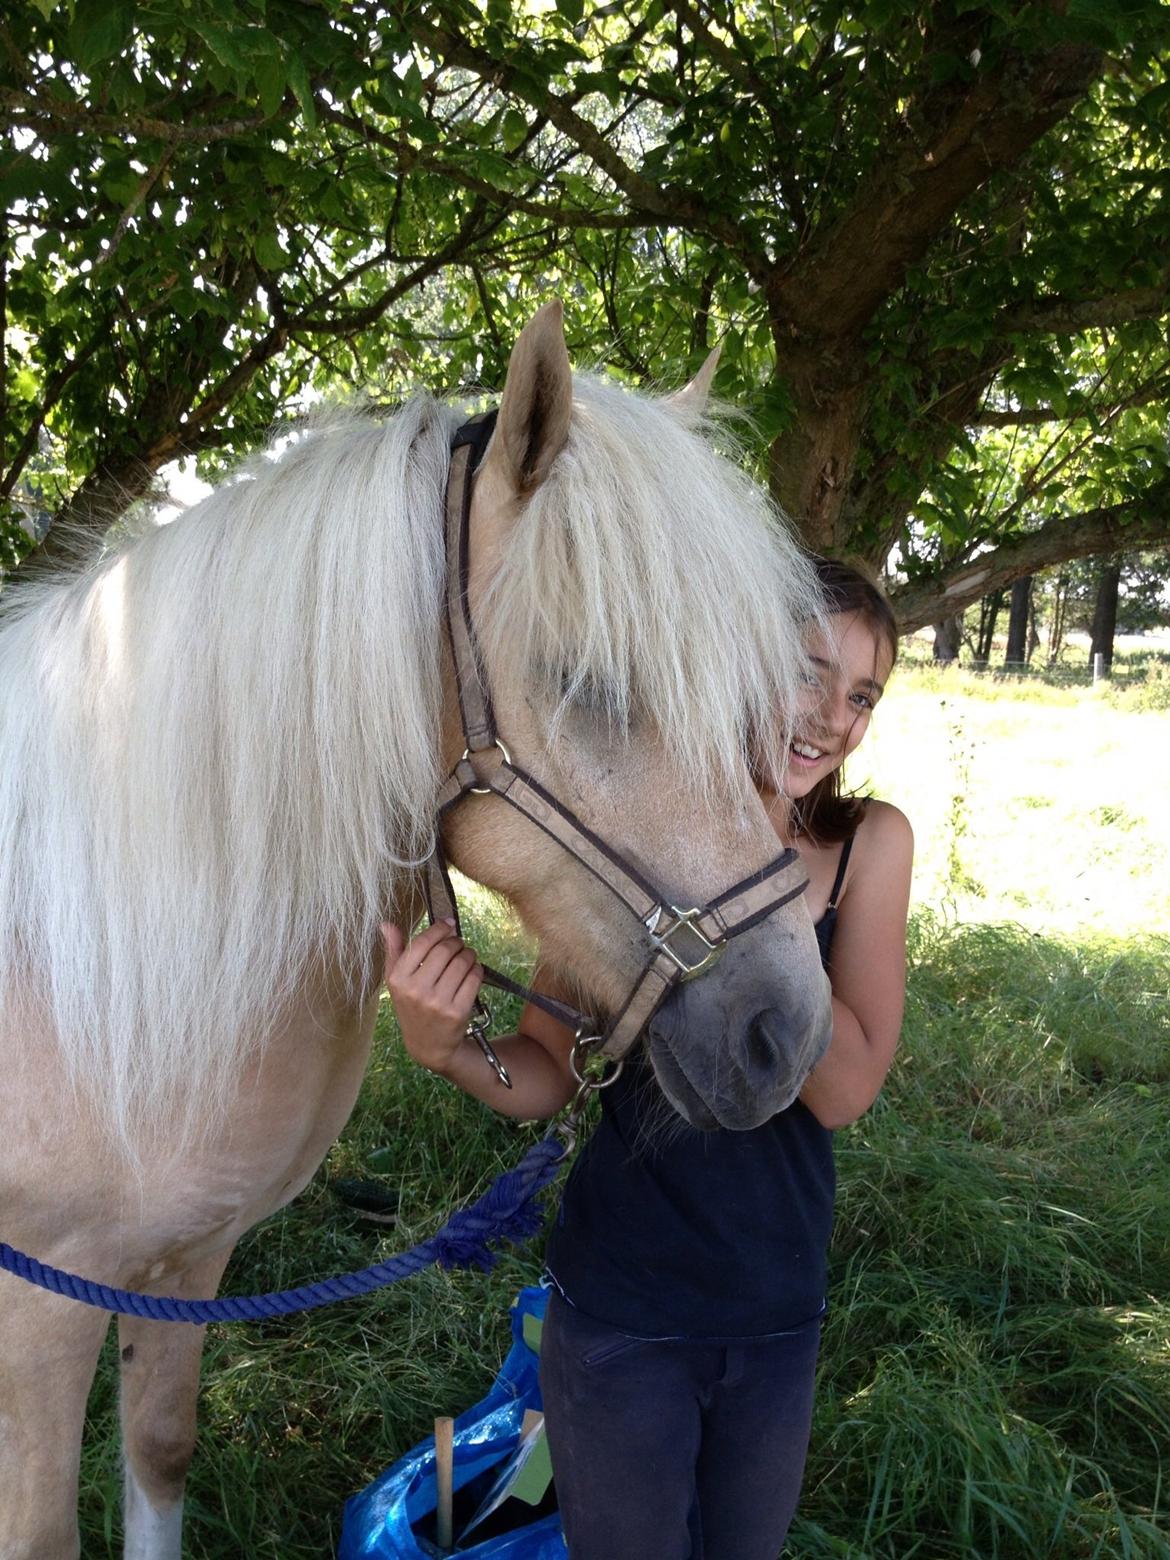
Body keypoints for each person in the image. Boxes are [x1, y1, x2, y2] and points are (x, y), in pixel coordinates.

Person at [381, 559, 913, 1559]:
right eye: (807, 674)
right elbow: (546, 1071)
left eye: (862, 695)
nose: (832, 717)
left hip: (774, 1310)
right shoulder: (631, 837)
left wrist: (746, 901)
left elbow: (844, 1092)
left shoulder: (869, 843)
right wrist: (450, 1051)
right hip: (619, 1308)